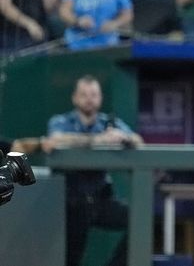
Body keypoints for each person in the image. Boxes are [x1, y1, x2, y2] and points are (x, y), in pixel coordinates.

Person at [47, 75, 144, 266]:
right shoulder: (62, 121)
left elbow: (139, 142)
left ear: (100, 98)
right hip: (72, 202)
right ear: (75, 98)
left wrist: (123, 137)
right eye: (84, 94)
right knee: (71, 257)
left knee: (140, 219)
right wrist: (96, 141)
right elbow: (55, 140)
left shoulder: (109, 122)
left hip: (101, 198)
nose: (89, 99)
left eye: (94, 95)